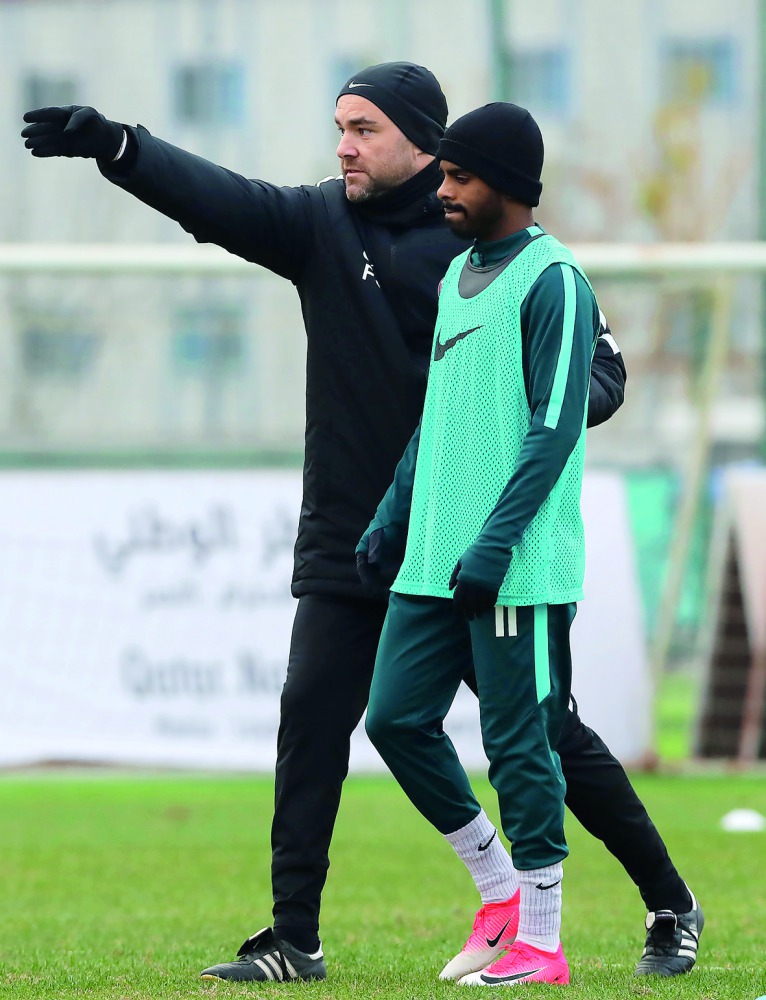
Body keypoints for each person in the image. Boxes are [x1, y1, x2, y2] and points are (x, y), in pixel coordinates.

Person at [21, 62, 701, 983]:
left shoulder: (497, 249)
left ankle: (669, 902)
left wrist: (507, 425)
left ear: (424, 141)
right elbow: (220, 200)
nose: (343, 146)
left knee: (547, 738)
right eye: (338, 127)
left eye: (363, 129)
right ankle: (295, 937)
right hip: (359, 534)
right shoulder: (321, 225)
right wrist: (119, 147)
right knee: (314, 718)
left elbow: (602, 376)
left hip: (475, 543)